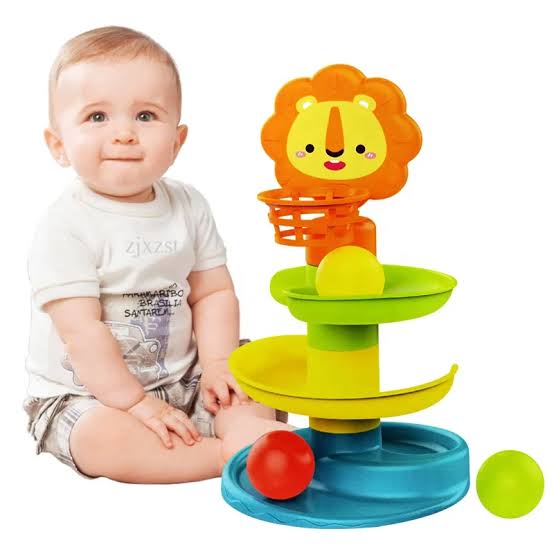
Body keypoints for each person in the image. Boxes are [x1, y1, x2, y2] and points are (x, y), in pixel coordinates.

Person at [24, 25, 293, 483]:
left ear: (177, 141)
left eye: (146, 116)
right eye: (96, 116)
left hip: (188, 376)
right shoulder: (65, 226)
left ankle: (247, 433)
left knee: (252, 375)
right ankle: (225, 455)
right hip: (91, 395)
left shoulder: (188, 204)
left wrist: (217, 366)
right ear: (59, 145)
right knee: (102, 440)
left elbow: (213, 293)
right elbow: (82, 333)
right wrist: (136, 403)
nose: (124, 134)